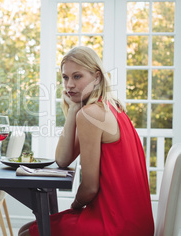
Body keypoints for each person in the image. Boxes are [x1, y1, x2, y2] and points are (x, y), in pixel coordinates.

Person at [19, 46, 154, 236]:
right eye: (65, 77)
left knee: (28, 233)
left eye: (77, 76)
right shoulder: (110, 108)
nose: (69, 85)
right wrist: (73, 110)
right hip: (137, 222)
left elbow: (90, 187)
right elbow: (63, 159)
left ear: (97, 77)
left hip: (117, 225)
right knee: (30, 228)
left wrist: (75, 207)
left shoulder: (91, 114)